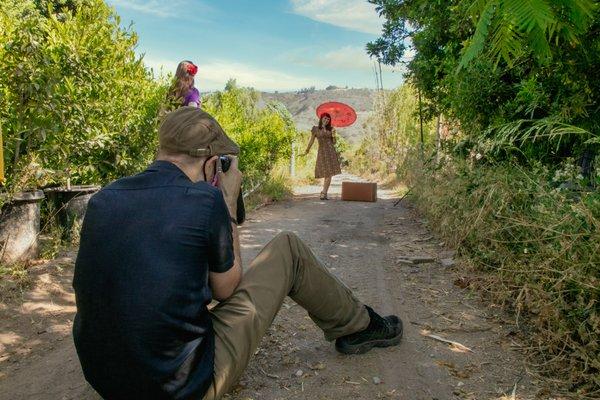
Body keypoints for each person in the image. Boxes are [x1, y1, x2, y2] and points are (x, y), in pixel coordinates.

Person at [72, 107, 403, 400]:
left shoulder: (105, 199)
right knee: (288, 248)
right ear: (214, 162)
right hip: (180, 389)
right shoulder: (205, 201)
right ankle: (359, 327)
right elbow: (226, 289)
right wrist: (228, 201)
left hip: (104, 381)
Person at [302, 113, 342, 200]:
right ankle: (324, 192)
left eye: (328, 119)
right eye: (325, 118)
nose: (326, 120)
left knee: (329, 173)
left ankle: (324, 193)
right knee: (325, 172)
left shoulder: (331, 129)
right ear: (321, 119)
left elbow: (334, 142)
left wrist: (334, 135)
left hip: (331, 153)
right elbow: (311, 140)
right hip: (321, 153)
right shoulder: (315, 129)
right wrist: (307, 150)